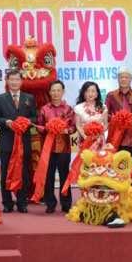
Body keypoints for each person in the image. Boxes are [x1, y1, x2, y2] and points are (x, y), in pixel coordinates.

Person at [0, 69, 38, 213]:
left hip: (24, 142)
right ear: (7, 81)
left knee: (24, 172)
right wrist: (6, 122)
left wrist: (26, 121)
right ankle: (7, 202)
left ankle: (22, 202)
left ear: (21, 81)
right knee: (6, 172)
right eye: (11, 79)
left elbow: (35, 118)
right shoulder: (0, 98)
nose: (14, 82)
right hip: (7, 141)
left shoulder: (29, 98)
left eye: (17, 79)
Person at [37, 80, 75, 214]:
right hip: (48, 148)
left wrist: (67, 131)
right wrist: (47, 128)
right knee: (49, 176)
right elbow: (39, 127)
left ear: (63, 92)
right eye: (53, 90)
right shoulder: (44, 109)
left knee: (65, 175)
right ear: (49, 92)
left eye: (58, 90)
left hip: (64, 148)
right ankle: (50, 203)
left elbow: (73, 127)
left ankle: (66, 203)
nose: (56, 93)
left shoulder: (68, 109)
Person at [105, 69, 132, 160]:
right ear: (118, 79)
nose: (123, 79)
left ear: (130, 79)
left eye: (126, 77)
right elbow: (105, 115)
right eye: (121, 77)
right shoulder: (111, 95)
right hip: (115, 139)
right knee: (115, 169)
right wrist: (117, 118)